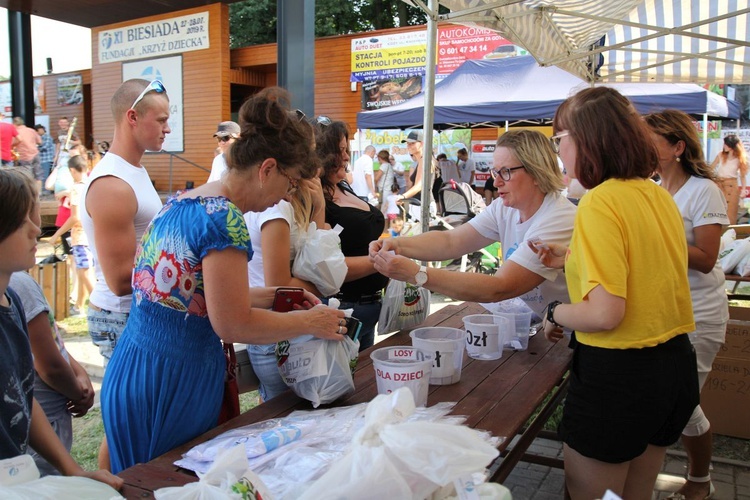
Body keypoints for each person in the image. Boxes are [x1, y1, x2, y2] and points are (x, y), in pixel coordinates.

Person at [100, 87, 346, 474]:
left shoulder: (186, 201)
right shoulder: (225, 219)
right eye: (291, 182)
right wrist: (311, 322)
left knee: (135, 477)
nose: (289, 192)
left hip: (137, 367)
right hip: (173, 380)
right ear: (267, 169)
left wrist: (273, 296)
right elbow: (231, 322)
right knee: (163, 482)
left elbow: (192, 295)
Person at [532, 87, 698, 499]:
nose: (558, 153)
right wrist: (571, 258)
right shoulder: (657, 194)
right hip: (673, 368)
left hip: (620, 378)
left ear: (586, 139)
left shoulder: (598, 202)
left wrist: (555, 312)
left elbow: (605, 314)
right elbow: (643, 267)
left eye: (559, 140)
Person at [370, 130, 575, 320]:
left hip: (570, 338)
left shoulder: (557, 218)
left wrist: (417, 274)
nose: (495, 183)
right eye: (496, 172)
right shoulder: (505, 208)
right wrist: (398, 246)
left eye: (506, 172)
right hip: (540, 326)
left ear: (536, 172)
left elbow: (499, 287)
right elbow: (451, 241)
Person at [0, 168, 122, 490]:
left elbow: (24, 397)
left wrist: (73, 471)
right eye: (20, 219)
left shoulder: (12, 299)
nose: (35, 229)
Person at [80, 79, 167, 469]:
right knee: (127, 422)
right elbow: (119, 276)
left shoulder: (134, 170)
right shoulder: (112, 182)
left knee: (140, 419)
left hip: (136, 311)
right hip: (120, 313)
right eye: (161, 119)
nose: (168, 128)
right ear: (132, 117)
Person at [646, 109, 729, 500]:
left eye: (651, 141)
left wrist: (654, 238)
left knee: (679, 402)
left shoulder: (703, 190)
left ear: (678, 146)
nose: (643, 148)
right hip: (663, 310)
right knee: (675, 400)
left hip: (700, 312)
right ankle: (699, 479)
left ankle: (699, 480)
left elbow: (707, 257)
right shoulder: (655, 189)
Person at [244, 174, 329, 401]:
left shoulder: (282, 205)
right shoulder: (276, 208)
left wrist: (318, 207)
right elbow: (280, 287)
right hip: (278, 333)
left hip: (281, 330)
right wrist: (324, 285)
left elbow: (320, 258)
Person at [9, 271, 94, 476]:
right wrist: (78, 393)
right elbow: (50, 367)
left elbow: (49, 342)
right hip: (42, 427)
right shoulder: (19, 284)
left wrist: (78, 371)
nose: (37, 236)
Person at [315, 118, 388, 351]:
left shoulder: (343, 185)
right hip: (343, 308)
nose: (347, 157)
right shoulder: (315, 196)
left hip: (368, 308)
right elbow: (325, 267)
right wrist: (384, 261)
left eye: (347, 150)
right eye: (340, 151)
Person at [47, 156, 94, 317]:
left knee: (85, 273)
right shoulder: (90, 184)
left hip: (80, 237)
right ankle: (80, 306)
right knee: (83, 271)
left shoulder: (76, 188)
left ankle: (98, 308)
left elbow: (75, 217)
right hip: (91, 235)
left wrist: (56, 235)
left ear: (72, 171)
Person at [710, 134, 748, 225]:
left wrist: (743, 189)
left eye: (726, 144)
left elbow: (742, 176)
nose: (724, 146)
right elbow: (712, 167)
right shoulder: (720, 154)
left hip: (732, 184)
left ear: (732, 146)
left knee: (731, 210)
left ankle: (731, 231)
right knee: (717, 209)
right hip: (719, 183)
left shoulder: (740, 159)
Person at [12, 117, 42, 190]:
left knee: (25, 176)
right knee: (38, 176)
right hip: (35, 154)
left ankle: (29, 194)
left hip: (24, 156)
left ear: (15, 124)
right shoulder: (31, 130)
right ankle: (38, 194)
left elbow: (12, 143)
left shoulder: (16, 132)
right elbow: (40, 142)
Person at [35, 124, 55, 194]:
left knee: (45, 175)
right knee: (42, 175)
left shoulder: (47, 137)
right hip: (41, 159)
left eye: (37, 131)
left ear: (42, 129)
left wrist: (36, 147)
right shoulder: (40, 138)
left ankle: (46, 190)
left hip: (47, 159)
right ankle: (44, 190)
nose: (37, 133)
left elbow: (44, 147)